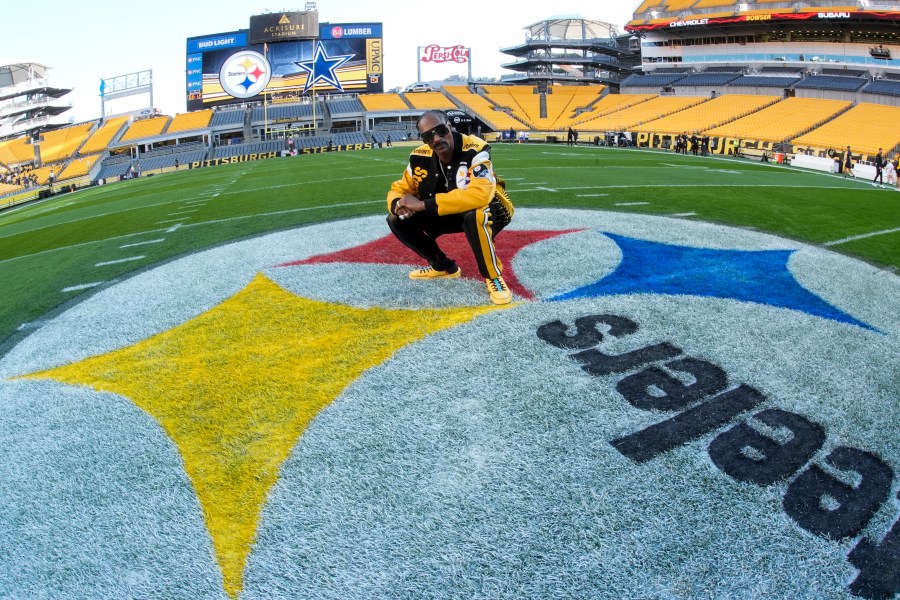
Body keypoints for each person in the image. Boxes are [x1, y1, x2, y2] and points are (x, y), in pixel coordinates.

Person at [386, 110, 515, 305]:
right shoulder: (418, 156)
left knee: (475, 214)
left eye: (440, 130)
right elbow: (400, 188)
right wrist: (398, 205)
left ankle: (493, 276)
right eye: (428, 136)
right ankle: (443, 266)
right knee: (395, 220)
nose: (436, 138)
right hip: (444, 210)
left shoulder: (476, 148)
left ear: (450, 126)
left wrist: (422, 205)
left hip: (491, 208)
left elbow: (480, 195)